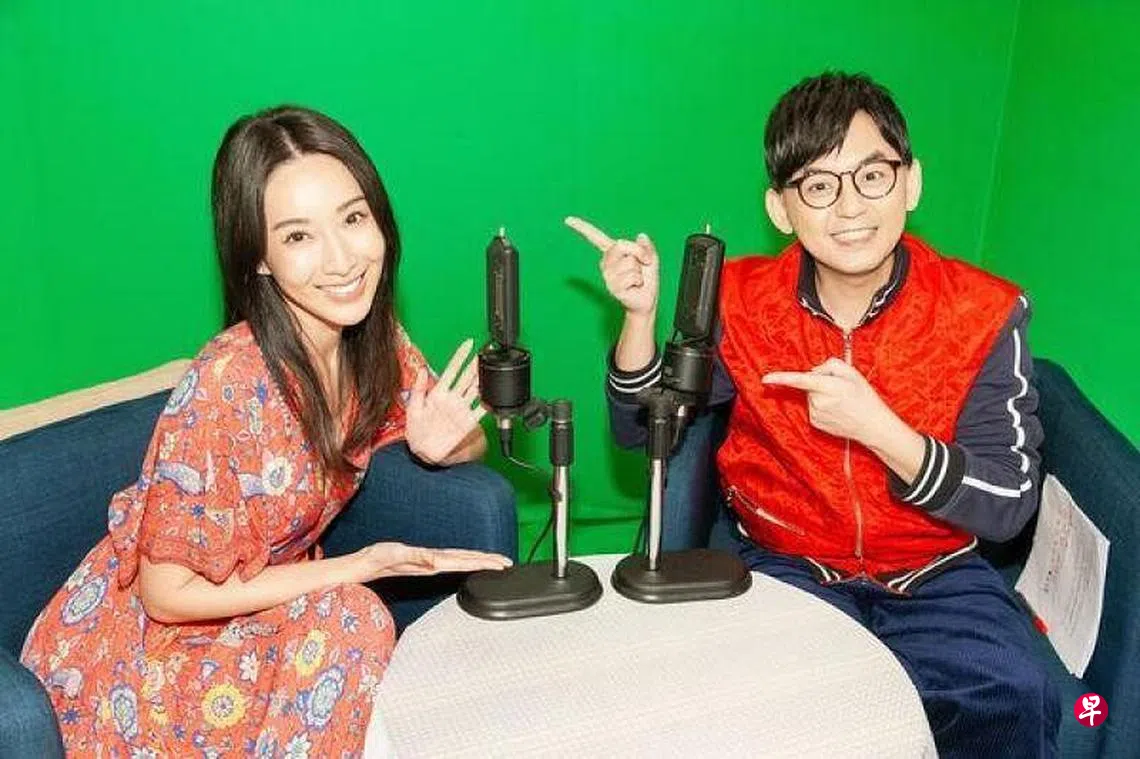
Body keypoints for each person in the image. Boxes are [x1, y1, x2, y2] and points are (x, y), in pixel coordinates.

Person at [569, 72, 1060, 758]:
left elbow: (1008, 503)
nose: (851, 206)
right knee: (774, 711)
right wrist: (640, 319)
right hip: (787, 564)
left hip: (934, 572)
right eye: (819, 185)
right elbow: (640, 431)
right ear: (780, 207)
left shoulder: (984, 312)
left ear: (912, 183)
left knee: (1014, 695)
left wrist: (882, 431)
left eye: (873, 176)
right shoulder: (739, 298)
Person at [20, 105, 512, 756]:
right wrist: (362, 564)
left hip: (263, 611)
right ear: (259, 259)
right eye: (299, 236)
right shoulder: (228, 381)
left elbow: (462, 438)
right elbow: (165, 595)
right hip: (138, 650)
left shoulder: (375, 341)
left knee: (357, 626)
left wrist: (444, 446)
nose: (342, 259)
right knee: (355, 617)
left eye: (353, 218)